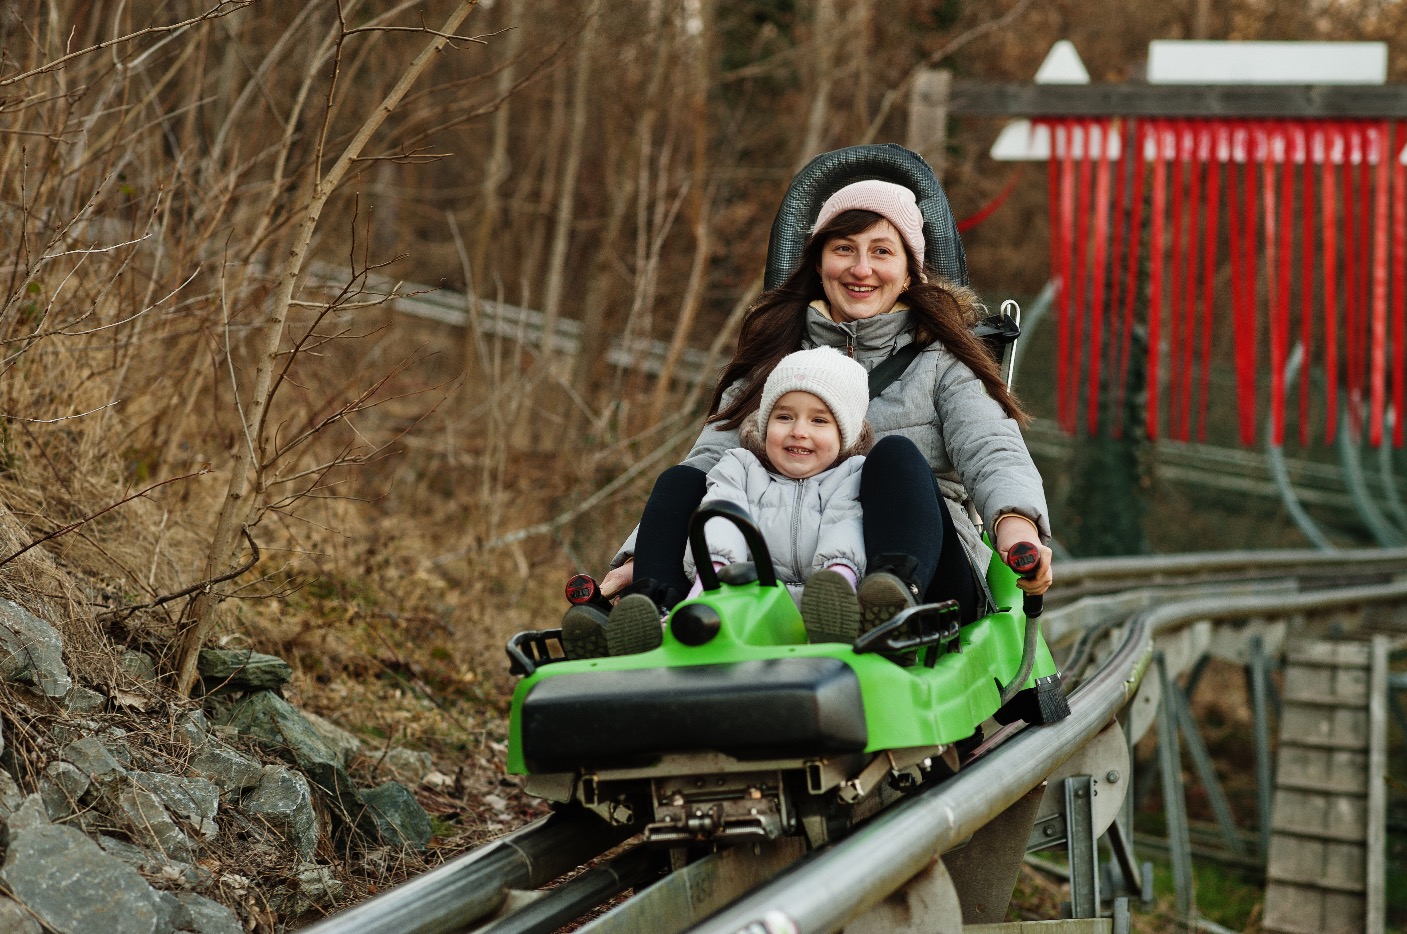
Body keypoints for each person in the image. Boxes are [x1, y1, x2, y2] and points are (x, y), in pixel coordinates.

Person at [572, 176, 1053, 656]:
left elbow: (993, 449)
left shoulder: (943, 363)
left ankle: (888, 605)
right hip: (774, 562)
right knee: (681, 478)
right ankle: (655, 613)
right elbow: (709, 463)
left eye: (882, 251)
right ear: (819, 262)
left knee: (894, 456)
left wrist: (1017, 527)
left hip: (922, 566)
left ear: (909, 272)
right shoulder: (773, 359)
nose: (861, 268)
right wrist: (643, 554)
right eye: (844, 248)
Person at [562, 346, 874, 657]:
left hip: (818, 608)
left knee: (829, 605)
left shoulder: (853, 476)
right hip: (742, 602)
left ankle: (831, 621)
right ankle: (650, 633)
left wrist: (837, 579)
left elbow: (844, 527)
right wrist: (707, 585)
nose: (798, 431)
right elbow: (721, 518)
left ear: (843, 434)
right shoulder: (740, 467)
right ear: (765, 424)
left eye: (819, 421)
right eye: (784, 417)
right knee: (712, 610)